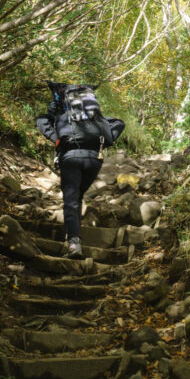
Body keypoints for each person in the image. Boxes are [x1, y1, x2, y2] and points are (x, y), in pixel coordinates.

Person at [35, 84, 124, 257]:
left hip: (70, 158)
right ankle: (74, 237)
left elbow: (41, 121)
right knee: (77, 196)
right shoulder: (95, 119)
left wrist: (56, 139)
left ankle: (74, 244)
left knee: (71, 200)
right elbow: (119, 123)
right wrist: (106, 138)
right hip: (94, 160)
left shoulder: (62, 115)